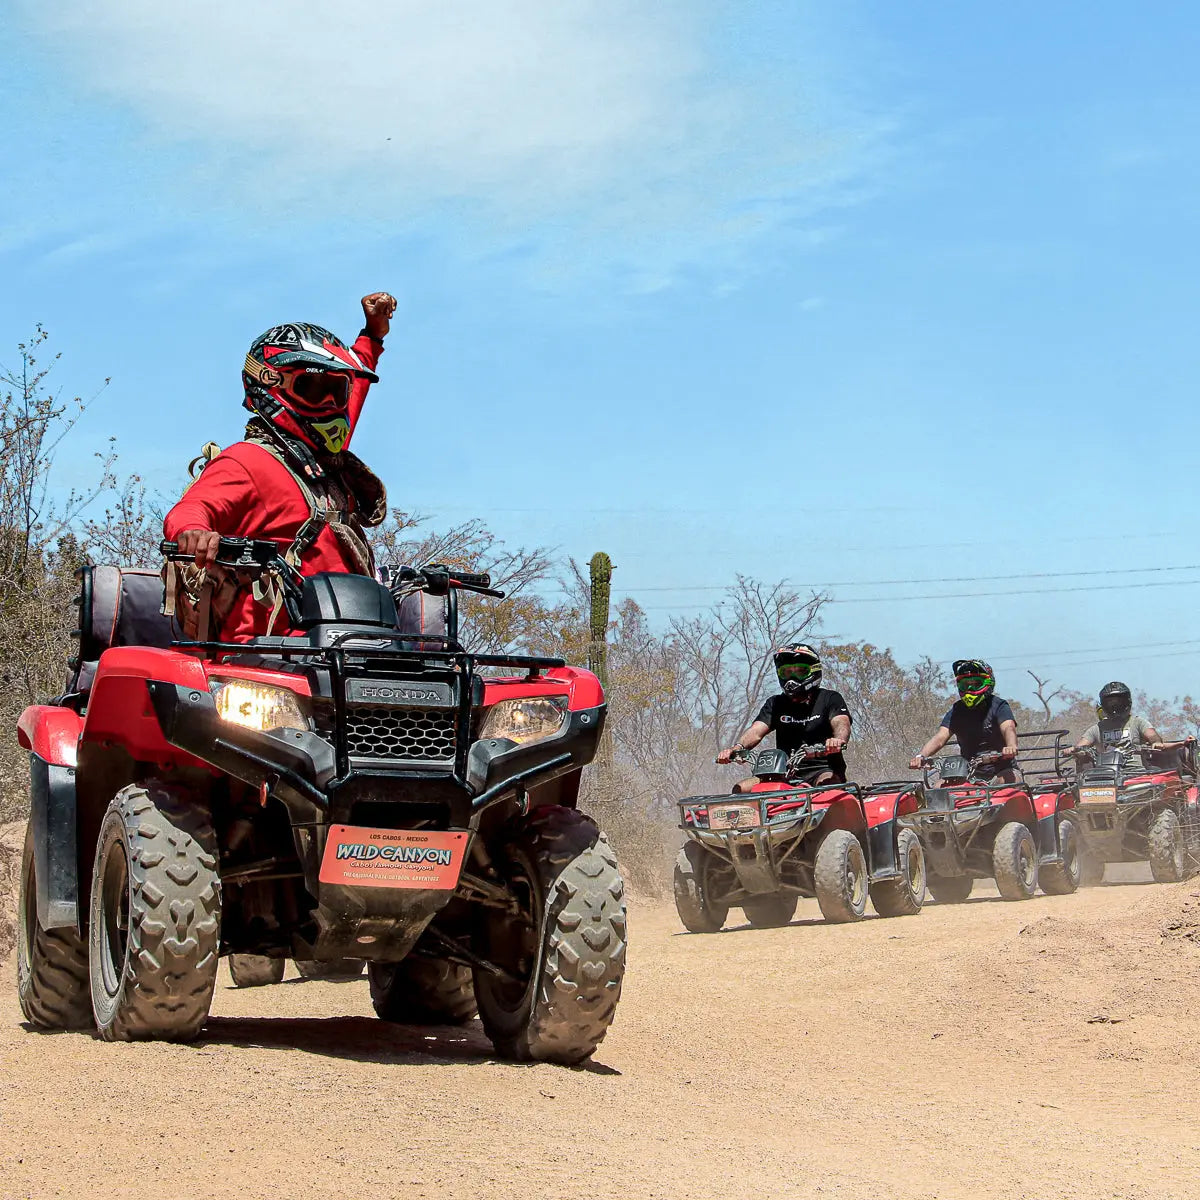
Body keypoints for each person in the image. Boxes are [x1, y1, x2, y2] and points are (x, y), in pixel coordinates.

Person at [163, 292, 397, 641]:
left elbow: (357, 385)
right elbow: (192, 509)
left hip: (347, 648)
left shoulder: (321, 462)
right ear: (269, 385)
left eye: (338, 390)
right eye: (314, 387)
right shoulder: (246, 461)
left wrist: (372, 337)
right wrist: (194, 533)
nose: (331, 404)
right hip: (267, 659)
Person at [716, 644, 852, 791]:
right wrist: (737, 749)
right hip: (783, 773)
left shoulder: (829, 698)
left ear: (813, 672)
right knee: (741, 789)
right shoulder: (775, 703)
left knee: (826, 786)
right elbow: (755, 731)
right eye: (786, 672)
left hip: (823, 770)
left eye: (799, 672)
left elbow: (841, 722)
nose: (792, 679)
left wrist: (838, 740)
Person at [909, 659, 1018, 782]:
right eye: (965, 685)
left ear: (988, 683)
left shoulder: (999, 705)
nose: (970, 689)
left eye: (976, 684)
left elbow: (1008, 727)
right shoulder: (957, 710)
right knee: (939, 787)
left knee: (1010, 781)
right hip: (968, 774)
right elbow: (940, 737)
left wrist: (1011, 746)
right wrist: (921, 756)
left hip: (1001, 771)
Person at [1073, 681, 1194, 771]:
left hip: (1136, 773)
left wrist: (1156, 742)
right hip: (1105, 774)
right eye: (1110, 703)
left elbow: (1153, 738)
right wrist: (1072, 750)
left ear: (1127, 702)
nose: (1114, 707)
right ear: (1104, 705)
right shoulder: (1097, 728)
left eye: (1118, 702)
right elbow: (1080, 746)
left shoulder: (1138, 722)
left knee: (1155, 785)